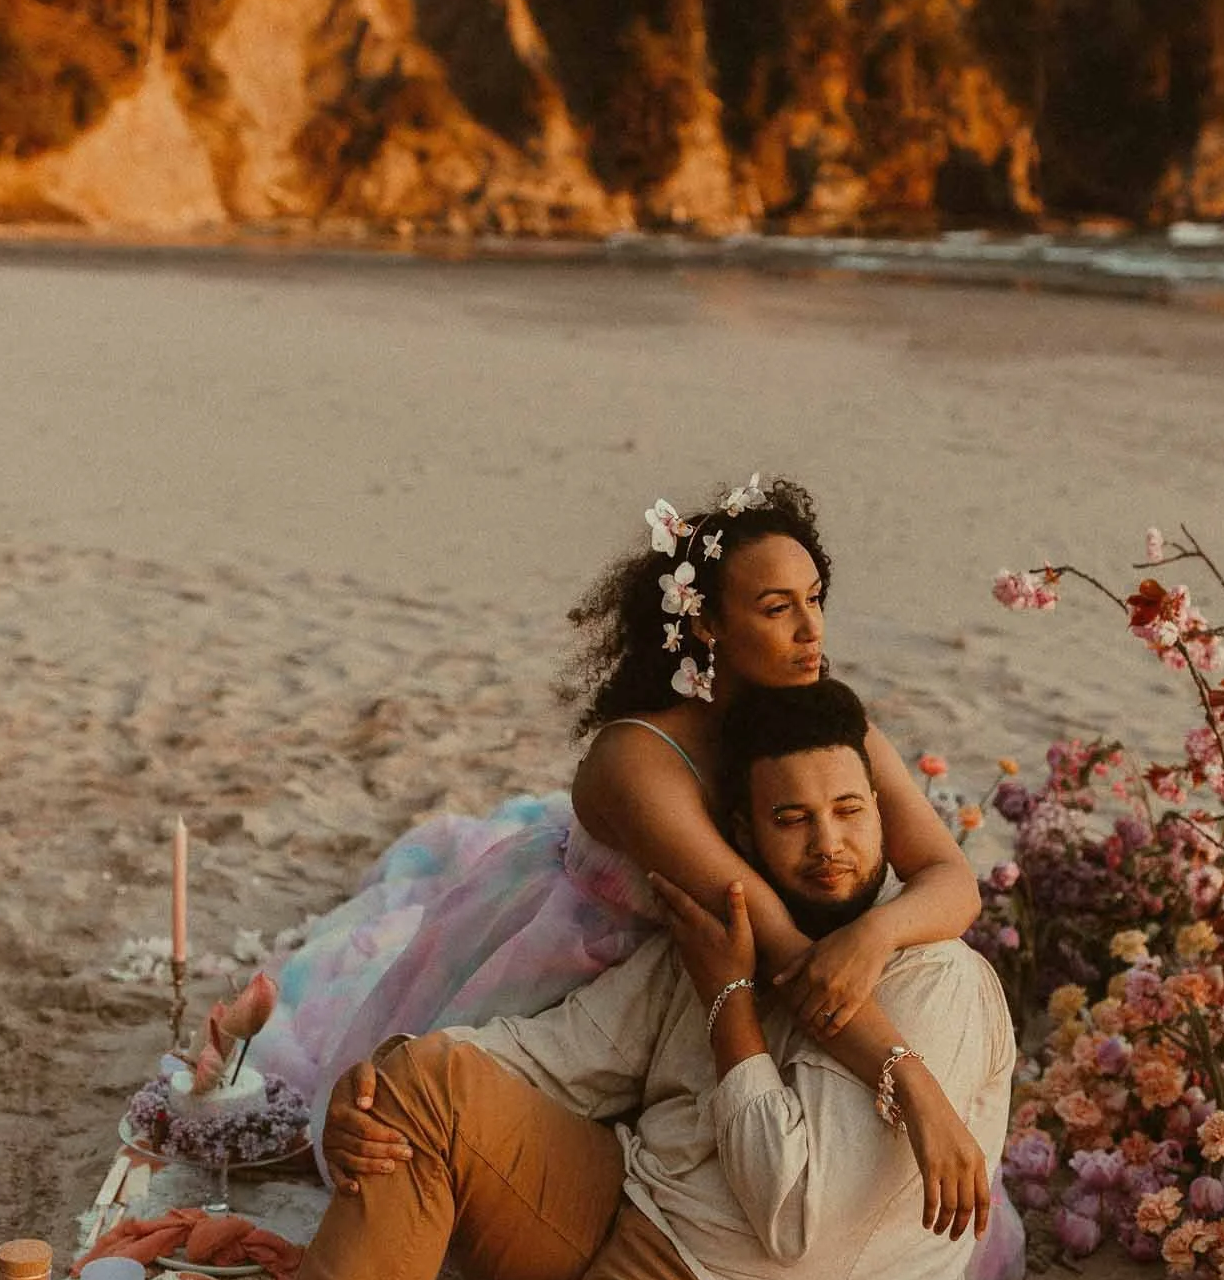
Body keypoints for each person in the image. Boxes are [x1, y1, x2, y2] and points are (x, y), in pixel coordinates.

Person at [0, 682, 1014, 1280]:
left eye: (849, 811)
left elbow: (795, 1224)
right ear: (742, 836)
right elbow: (542, 1053)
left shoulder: (937, 985)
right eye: (791, 818)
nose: (829, 843)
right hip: (626, 1234)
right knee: (427, 1080)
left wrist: (733, 1014)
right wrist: (368, 1088)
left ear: (885, 819)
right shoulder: (707, 939)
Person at [254, 475, 984, 1150]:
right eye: (775, 608)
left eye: (815, 598)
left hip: (709, 987)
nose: (810, 630)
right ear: (704, 625)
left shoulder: (822, 724)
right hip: (575, 983)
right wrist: (912, 1085)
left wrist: (879, 932)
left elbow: (951, 877)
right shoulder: (637, 761)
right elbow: (781, 950)